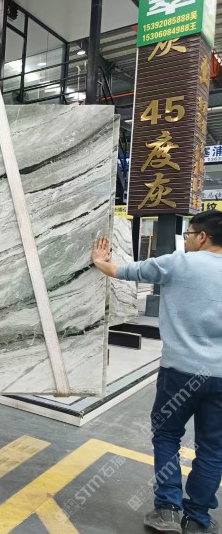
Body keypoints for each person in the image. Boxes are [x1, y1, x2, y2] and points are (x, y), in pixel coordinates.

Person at [92, 210, 222, 534]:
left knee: (166, 435)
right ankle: (197, 518)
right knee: (213, 448)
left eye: (188, 234)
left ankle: (168, 510)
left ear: (202, 237)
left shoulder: (177, 264)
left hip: (179, 372)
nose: (185, 240)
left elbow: (124, 271)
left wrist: (100, 261)